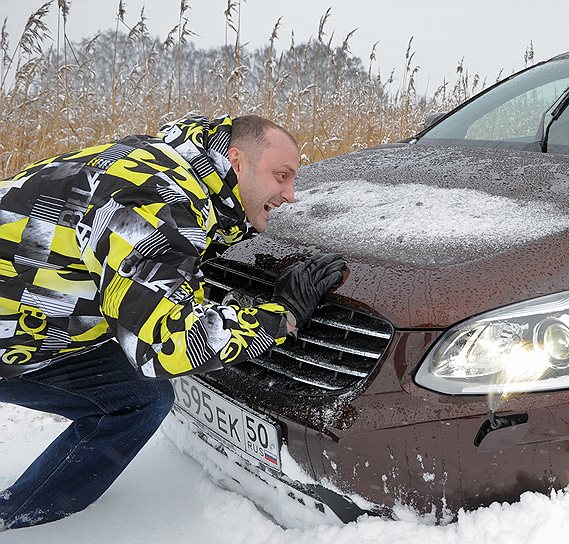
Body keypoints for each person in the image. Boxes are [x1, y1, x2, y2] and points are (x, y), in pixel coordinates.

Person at [0, 114, 347, 529]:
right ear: (236, 161)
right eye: (282, 176)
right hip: (13, 334)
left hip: (24, 325)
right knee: (140, 396)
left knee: (142, 398)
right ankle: (21, 517)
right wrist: (281, 315)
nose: (291, 195)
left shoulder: (161, 165)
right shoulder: (154, 203)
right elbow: (167, 345)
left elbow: (153, 267)